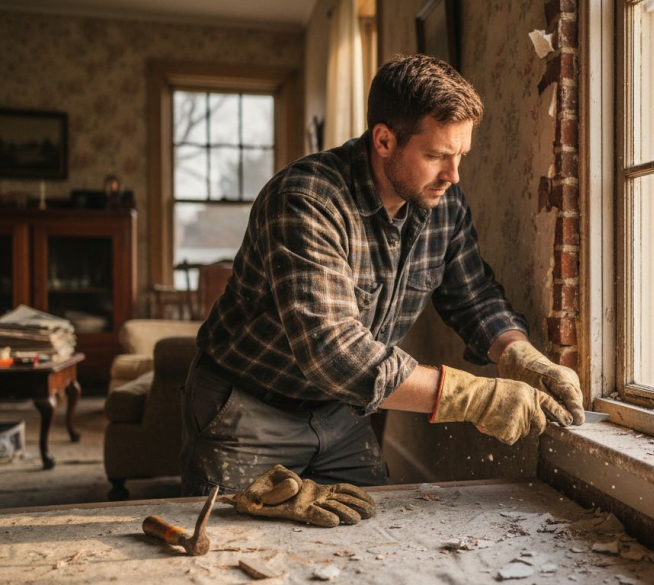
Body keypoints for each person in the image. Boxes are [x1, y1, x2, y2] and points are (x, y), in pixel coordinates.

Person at [180, 54, 585, 496]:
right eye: (435, 155)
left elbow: (473, 295)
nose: (453, 175)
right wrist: (475, 398)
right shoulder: (306, 201)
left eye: (461, 155)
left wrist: (517, 354)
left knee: (368, 538)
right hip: (249, 407)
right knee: (229, 551)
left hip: (341, 414)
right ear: (385, 140)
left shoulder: (441, 202)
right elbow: (333, 352)